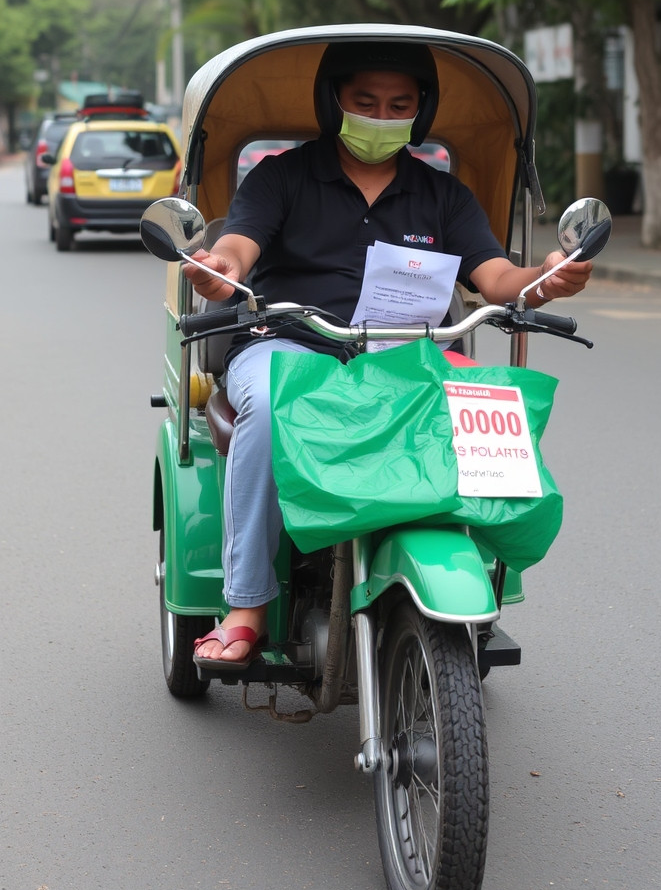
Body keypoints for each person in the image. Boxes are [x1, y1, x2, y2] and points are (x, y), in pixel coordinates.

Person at [184, 41, 592, 667]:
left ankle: (480, 572)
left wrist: (548, 277)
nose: (382, 116)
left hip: (404, 357)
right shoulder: (283, 178)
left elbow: (498, 279)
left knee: (491, 404)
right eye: (365, 102)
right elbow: (237, 247)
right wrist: (218, 270)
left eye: (399, 104)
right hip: (287, 345)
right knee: (267, 409)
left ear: (420, 113)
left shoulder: (444, 197)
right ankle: (247, 605)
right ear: (334, 102)